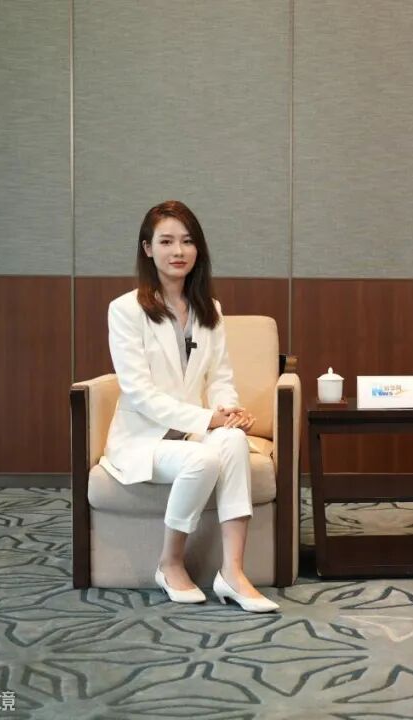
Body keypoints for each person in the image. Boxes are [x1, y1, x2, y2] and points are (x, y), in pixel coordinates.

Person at [99, 200, 278, 612]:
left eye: (187, 241)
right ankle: (170, 563)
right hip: (144, 438)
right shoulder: (125, 310)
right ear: (148, 249)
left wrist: (229, 413)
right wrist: (207, 418)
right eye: (166, 242)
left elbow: (220, 378)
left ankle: (233, 572)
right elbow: (139, 392)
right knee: (203, 459)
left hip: (191, 432)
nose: (178, 251)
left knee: (232, 441)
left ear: (198, 249)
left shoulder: (209, 310)